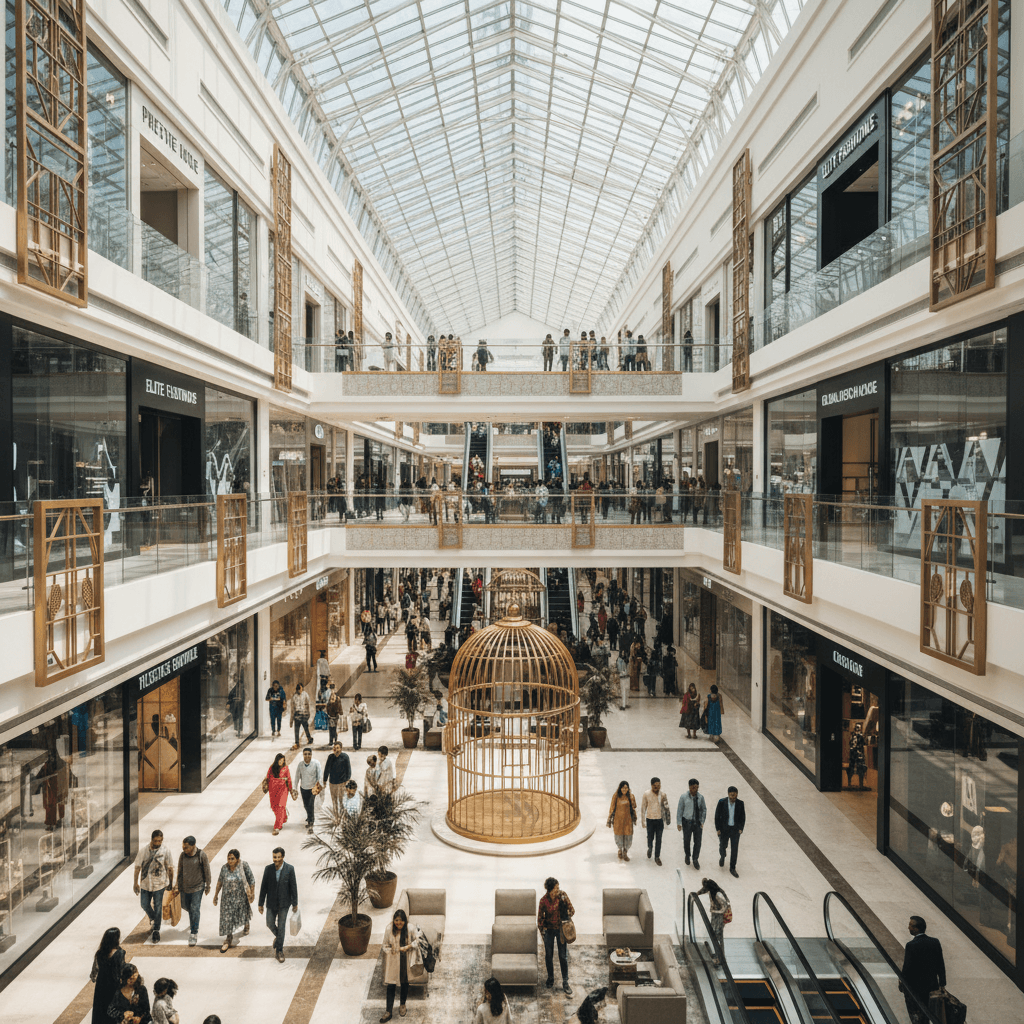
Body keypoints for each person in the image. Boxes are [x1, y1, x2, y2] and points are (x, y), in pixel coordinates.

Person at [900, 917, 946, 1024]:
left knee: (917, 1015)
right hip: (931, 986)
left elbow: (907, 967)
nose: (908, 927)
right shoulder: (935, 942)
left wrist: (902, 982)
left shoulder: (911, 945)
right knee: (929, 1013)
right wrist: (942, 983)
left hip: (916, 988)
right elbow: (940, 963)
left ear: (916, 929)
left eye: (910, 925)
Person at [258, 846, 298, 963]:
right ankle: (279, 938)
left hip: (284, 904)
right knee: (269, 923)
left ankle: (279, 951)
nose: (276, 859)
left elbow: (293, 887)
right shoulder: (268, 869)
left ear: (283, 857)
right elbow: (263, 887)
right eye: (274, 857)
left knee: (281, 927)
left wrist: (295, 903)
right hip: (271, 903)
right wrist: (260, 903)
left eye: (278, 857)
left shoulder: (289, 869)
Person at [134, 829, 174, 944]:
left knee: (158, 906)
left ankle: (156, 929)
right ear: (151, 839)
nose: (158, 843)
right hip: (146, 883)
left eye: (160, 841)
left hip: (159, 884)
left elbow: (170, 867)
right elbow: (137, 867)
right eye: (156, 841)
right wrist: (135, 883)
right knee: (144, 903)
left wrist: (171, 882)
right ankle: (153, 918)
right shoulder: (143, 851)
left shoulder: (165, 851)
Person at [213, 848, 255, 952]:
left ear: (237, 859)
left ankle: (246, 924)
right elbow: (219, 882)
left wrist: (252, 893)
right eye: (228, 858)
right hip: (226, 899)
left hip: (240, 897)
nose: (230, 861)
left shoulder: (243, 865)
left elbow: (251, 879)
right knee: (227, 918)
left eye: (232, 859)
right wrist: (216, 895)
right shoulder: (224, 868)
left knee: (242, 913)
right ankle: (228, 938)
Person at [537, 876, 573, 995]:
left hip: (561, 930)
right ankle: (550, 978)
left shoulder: (563, 896)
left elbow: (572, 910)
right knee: (549, 956)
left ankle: (565, 982)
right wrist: (543, 934)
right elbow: (540, 920)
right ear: (550, 890)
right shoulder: (543, 901)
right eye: (556, 888)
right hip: (549, 931)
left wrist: (564, 914)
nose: (558, 890)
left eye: (558, 888)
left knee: (563, 956)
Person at [381, 908, 419, 1022]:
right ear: (393, 920)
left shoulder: (410, 928)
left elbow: (418, 941)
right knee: (391, 985)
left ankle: (402, 1004)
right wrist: (391, 950)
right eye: (396, 920)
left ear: (405, 921)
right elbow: (384, 946)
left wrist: (408, 947)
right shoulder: (389, 929)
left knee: (404, 983)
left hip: (405, 961)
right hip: (393, 961)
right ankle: (388, 1011)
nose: (399, 923)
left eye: (401, 920)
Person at [173, 836, 211, 947]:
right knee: (186, 906)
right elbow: (180, 870)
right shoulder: (182, 855)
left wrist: (208, 885)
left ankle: (194, 932)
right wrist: (177, 886)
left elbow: (207, 871)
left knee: (194, 908)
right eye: (183, 847)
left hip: (197, 887)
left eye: (186, 847)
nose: (184, 849)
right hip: (185, 887)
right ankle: (194, 919)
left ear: (193, 846)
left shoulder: (201, 855)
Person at [90, 927, 126, 1024]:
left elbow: (93, 974)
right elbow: (122, 970)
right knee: (113, 1010)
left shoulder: (100, 953)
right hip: (113, 985)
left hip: (101, 985)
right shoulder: (120, 953)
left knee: (101, 1009)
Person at [695, 878, 730, 966]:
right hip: (715, 916)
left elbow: (725, 906)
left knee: (717, 936)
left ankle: (720, 958)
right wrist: (697, 894)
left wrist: (715, 912)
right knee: (714, 934)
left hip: (719, 917)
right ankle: (718, 954)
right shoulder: (712, 890)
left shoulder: (718, 894)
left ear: (710, 888)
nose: (705, 890)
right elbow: (703, 890)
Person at [715, 787, 745, 878]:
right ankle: (722, 856)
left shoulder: (740, 803)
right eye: (732, 795)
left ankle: (732, 867)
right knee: (722, 845)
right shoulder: (721, 802)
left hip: (735, 830)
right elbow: (717, 816)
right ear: (728, 794)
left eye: (735, 795)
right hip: (724, 829)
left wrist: (741, 828)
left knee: (734, 849)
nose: (733, 797)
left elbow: (743, 817)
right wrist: (718, 829)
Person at [676, 778, 707, 869]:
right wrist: (679, 823)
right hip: (687, 822)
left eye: (697, 787)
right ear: (689, 787)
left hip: (697, 823)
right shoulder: (683, 797)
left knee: (698, 842)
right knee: (686, 840)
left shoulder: (700, 797)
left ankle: (695, 859)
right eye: (693, 787)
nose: (695, 789)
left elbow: (703, 809)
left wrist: (702, 821)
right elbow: (680, 810)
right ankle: (687, 855)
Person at [640, 777, 670, 865]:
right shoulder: (646, 794)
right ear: (651, 785)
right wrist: (643, 821)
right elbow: (643, 808)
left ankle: (657, 856)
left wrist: (668, 820)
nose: (657, 787)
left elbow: (666, 808)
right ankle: (650, 848)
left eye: (659, 785)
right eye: (655, 786)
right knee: (650, 837)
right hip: (650, 820)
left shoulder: (663, 795)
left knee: (659, 839)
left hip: (659, 820)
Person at [607, 780, 637, 862]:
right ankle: (620, 849)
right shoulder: (616, 796)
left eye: (626, 788)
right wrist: (609, 818)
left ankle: (625, 852)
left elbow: (634, 806)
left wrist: (634, 816)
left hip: (628, 821)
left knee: (628, 836)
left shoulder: (631, 796)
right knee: (619, 836)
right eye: (623, 788)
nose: (624, 789)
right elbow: (612, 807)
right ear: (620, 788)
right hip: (618, 821)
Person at [295, 746, 323, 833]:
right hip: (303, 788)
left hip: (312, 789)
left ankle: (311, 822)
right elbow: (297, 777)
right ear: (303, 755)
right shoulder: (300, 765)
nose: (307, 756)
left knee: (311, 805)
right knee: (306, 805)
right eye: (305, 754)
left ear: (311, 755)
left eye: (309, 754)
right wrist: (294, 788)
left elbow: (319, 776)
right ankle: (309, 817)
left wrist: (319, 786)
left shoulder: (316, 763)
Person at [266, 753, 293, 836]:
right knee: (274, 807)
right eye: (280, 760)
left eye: (283, 760)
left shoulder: (286, 768)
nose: (281, 762)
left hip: (283, 790)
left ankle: (277, 827)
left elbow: (289, 779)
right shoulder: (272, 768)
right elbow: (268, 777)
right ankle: (283, 817)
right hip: (273, 791)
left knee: (280, 807)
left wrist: (291, 789)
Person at [324, 741, 352, 810]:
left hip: (342, 783)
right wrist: (324, 780)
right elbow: (326, 769)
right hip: (332, 783)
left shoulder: (345, 757)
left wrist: (347, 781)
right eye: (334, 748)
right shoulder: (330, 757)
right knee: (334, 801)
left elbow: (348, 770)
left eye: (337, 748)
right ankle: (336, 817)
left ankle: (342, 816)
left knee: (341, 801)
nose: (335, 749)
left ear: (341, 749)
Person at [290, 683, 313, 750]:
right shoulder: (294, 697)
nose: (300, 690)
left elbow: (308, 705)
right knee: (296, 730)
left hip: (304, 715)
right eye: (299, 689)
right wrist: (291, 721)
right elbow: (292, 709)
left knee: (306, 728)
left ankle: (309, 738)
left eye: (301, 689)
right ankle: (297, 742)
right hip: (297, 715)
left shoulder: (305, 695)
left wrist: (309, 714)